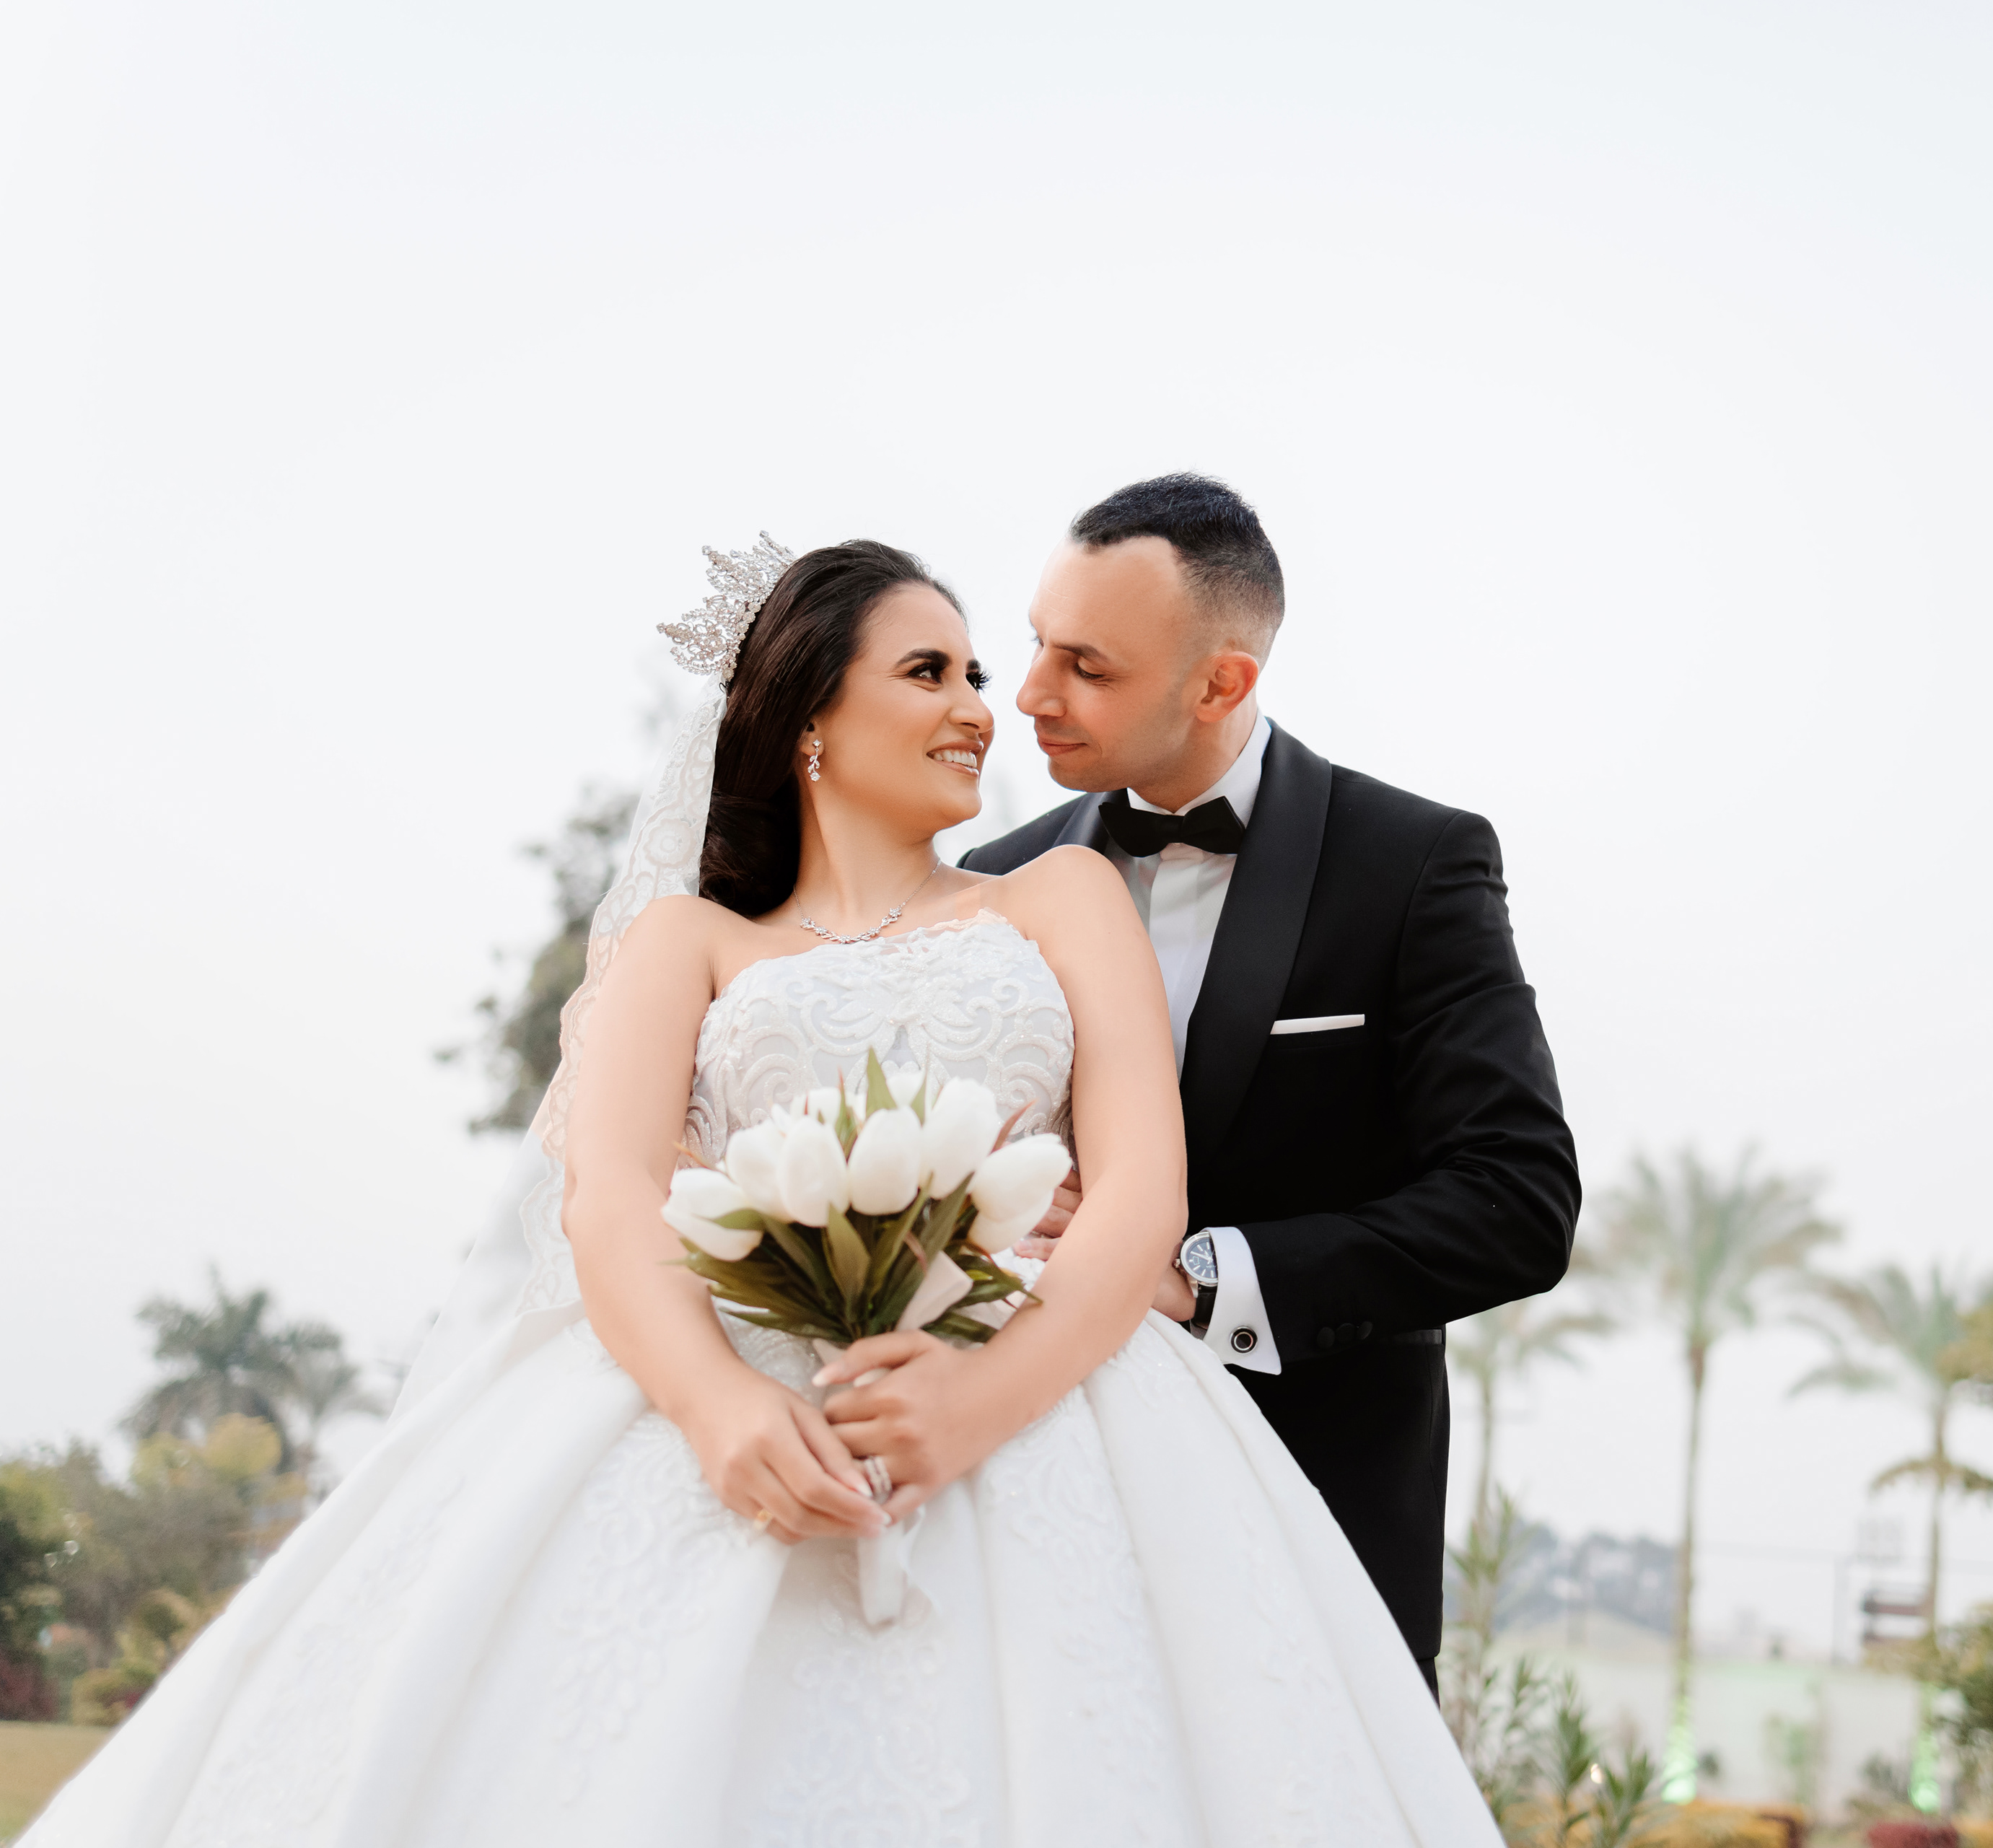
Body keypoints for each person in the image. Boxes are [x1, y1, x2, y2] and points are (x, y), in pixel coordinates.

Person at [25, 537, 1499, 1846]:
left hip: (1057, 1405)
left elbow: (1140, 1193)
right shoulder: (685, 943)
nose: (982, 707)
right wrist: (721, 1410)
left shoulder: (1063, 895)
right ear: (808, 719)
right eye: (929, 670)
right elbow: (610, 1201)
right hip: (715, 1406)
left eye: (977, 672)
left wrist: (978, 1402)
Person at [960, 476, 1581, 1684]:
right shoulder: (994, 876)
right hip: (1034, 1527)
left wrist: (1196, 1278)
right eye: (1036, 643)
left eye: (1087, 665)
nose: (1029, 693)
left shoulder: (1413, 864)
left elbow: (1516, 1201)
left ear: (1222, 683)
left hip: (1311, 1545)